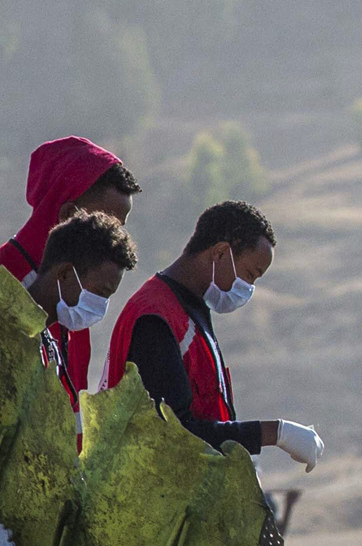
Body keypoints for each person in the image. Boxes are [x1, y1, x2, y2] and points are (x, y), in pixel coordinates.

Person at [107, 200, 322, 470]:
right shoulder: (156, 317)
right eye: (249, 275)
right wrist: (273, 433)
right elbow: (172, 432)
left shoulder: (191, 309)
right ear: (220, 253)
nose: (248, 288)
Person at [0, 137, 138, 290]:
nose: (114, 238)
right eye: (106, 224)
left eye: (118, 228)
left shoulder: (74, 292)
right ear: (68, 215)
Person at [28, 210, 135, 409]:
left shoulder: (47, 341)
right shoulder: (7, 329)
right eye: (100, 292)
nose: (101, 305)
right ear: (66, 274)